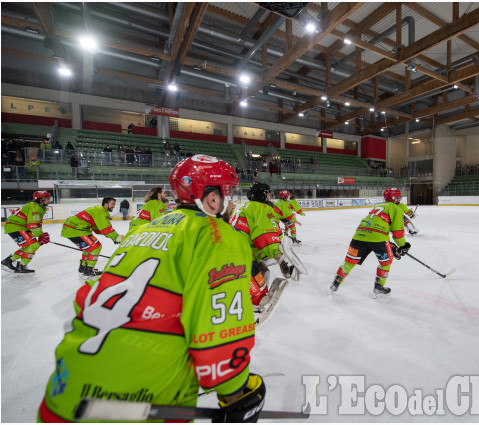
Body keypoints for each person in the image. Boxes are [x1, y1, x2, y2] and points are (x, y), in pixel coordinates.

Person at [38, 155, 265, 423]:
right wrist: (235, 392)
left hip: (64, 394)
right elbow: (219, 326)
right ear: (212, 198)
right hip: (140, 397)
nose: (231, 200)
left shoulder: (140, 232)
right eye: (227, 192)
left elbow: (89, 296)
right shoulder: (220, 236)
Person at [330, 187, 411, 297]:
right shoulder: (396, 209)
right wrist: (403, 245)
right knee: (386, 262)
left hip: (359, 236)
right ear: (392, 198)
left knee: (349, 262)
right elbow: (397, 233)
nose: (398, 199)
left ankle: (336, 283)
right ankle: (378, 287)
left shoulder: (377, 206)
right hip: (378, 239)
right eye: (397, 197)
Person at [230, 182, 295, 315]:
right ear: (262, 196)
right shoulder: (261, 208)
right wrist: (280, 258)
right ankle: (252, 308)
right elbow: (266, 236)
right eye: (269, 195)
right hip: (238, 257)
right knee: (259, 292)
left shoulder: (246, 207)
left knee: (263, 270)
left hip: (235, 252)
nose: (271, 197)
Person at [60, 197, 123, 276]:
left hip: (76, 229)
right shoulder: (101, 211)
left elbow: (98, 229)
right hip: (75, 230)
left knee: (89, 248)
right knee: (96, 247)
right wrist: (117, 238)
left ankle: (83, 267)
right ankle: (89, 270)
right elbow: (106, 229)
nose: (114, 206)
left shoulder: (99, 210)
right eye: (112, 204)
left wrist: (112, 237)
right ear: (106, 204)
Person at [1, 191, 51, 274]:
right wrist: (41, 235)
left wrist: (40, 235)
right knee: (34, 244)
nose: (49, 201)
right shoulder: (35, 207)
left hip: (19, 226)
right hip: (15, 227)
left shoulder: (39, 207)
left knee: (30, 245)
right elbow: (33, 224)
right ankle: (21, 266)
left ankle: (9, 261)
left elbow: (37, 223)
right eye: (48, 199)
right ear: (41, 199)